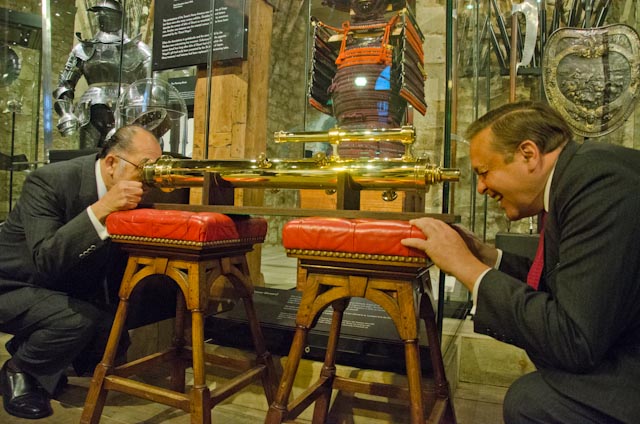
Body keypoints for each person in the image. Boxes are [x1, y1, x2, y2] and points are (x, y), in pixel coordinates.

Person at [402, 101, 640, 423]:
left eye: (484, 172)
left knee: (531, 401)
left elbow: (574, 338)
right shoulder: (574, 178)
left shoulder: (597, 185)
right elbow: (566, 280)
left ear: (529, 154)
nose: (482, 187)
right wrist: (488, 257)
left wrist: (467, 269)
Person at [0, 125, 162, 419]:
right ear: (112, 163)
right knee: (77, 320)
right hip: (11, 284)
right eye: (146, 168)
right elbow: (45, 260)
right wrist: (102, 208)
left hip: (52, 286)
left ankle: (38, 352)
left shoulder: (129, 190)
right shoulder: (49, 181)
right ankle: (20, 369)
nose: (151, 178)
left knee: (109, 325)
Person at [53, 0, 151, 149]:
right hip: (90, 109)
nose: (101, 16)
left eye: (106, 12)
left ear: (118, 17)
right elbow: (65, 84)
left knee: (122, 154)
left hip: (127, 107)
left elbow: (150, 86)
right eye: (99, 13)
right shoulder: (82, 49)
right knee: (87, 157)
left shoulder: (138, 49)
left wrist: (146, 116)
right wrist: (66, 113)